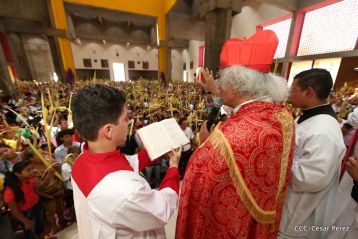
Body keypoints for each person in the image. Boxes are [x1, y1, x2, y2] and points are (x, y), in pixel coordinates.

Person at [176, 30, 295, 238]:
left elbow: (198, 180)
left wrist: (206, 143)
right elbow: (245, 111)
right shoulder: (282, 116)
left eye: (223, 81)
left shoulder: (226, 140)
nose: (220, 85)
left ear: (235, 85)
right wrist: (216, 92)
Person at [71, 84, 181, 239]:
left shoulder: (81, 160)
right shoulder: (125, 192)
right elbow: (162, 209)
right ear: (108, 130)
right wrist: (174, 167)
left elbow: (127, 164)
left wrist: (157, 149)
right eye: (125, 118)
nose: (129, 122)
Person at [278, 69, 346, 238]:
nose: (289, 94)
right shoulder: (308, 117)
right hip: (290, 206)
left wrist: (276, 158)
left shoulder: (323, 132)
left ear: (309, 92)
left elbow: (311, 178)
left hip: (300, 216)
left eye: (293, 90)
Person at [3, 160, 44, 239]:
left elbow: (37, 189)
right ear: (17, 174)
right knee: (30, 233)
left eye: (32, 168)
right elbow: (14, 211)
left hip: (37, 204)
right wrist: (25, 221)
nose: (32, 171)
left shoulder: (30, 178)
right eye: (28, 170)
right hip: (26, 212)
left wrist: (38, 177)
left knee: (40, 227)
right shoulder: (10, 190)